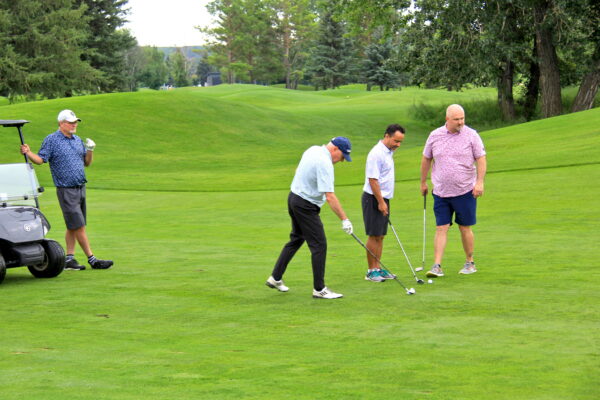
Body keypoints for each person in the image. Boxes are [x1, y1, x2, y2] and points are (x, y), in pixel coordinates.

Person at [20, 109, 113, 271]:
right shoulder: (52, 139)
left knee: (73, 225)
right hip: (66, 189)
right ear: (61, 123)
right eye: (70, 122)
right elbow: (41, 160)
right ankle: (92, 259)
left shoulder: (77, 140)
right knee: (79, 225)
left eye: (75, 122)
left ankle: (69, 259)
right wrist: (28, 153)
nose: (74, 125)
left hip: (80, 187)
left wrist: (90, 150)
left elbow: (87, 163)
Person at [266, 137, 354, 299]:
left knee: (296, 239)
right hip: (305, 205)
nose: (341, 160)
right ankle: (319, 289)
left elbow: (298, 171)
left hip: (293, 198)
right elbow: (330, 196)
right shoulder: (325, 163)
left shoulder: (313, 149)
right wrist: (344, 219)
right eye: (342, 156)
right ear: (335, 149)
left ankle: (275, 277)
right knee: (319, 244)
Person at [420, 104, 486, 277]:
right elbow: (426, 159)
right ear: (447, 119)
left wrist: (479, 182)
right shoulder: (435, 135)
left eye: (462, 118)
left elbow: (481, 158)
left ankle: (470, 262)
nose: (460, 122)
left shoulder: (471, 135)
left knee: (464, 227)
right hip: (440, 191)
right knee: (441, 227)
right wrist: (423, 182)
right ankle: (436, 266)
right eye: (457, 119)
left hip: (465, 190)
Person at [362, 124, 406, 282]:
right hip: (373, 198)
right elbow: (373, 180)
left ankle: (378, 268)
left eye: (400, 142)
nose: (398, 145)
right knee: (373, 235)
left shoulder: (388, 152)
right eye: (396, 141)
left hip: (383, 198)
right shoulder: (376, 153)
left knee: (380, 236)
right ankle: (371, 271)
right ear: (387, 136)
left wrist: (384, 200)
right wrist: (380, 202)